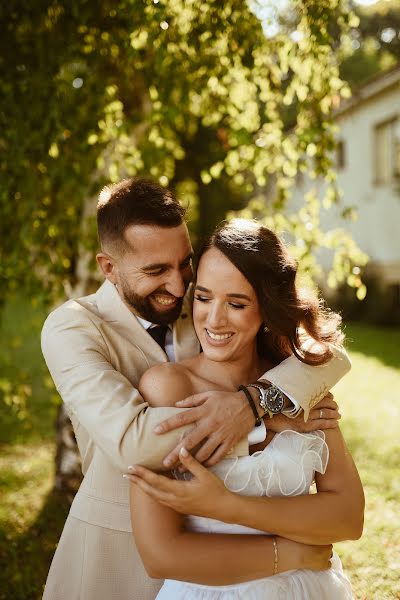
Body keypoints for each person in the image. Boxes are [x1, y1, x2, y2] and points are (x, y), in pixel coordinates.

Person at [41, 178, 351, 600]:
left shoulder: (205, 302)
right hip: (116, 551)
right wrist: (264, 421)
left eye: (184, 264)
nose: (178, 285)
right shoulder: (72, 327)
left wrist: (258, 397)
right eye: (155, 271)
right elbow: (131, 441)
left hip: (229, 553)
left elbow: (328, 354)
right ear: (109, 267)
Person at [127, 219, 364, 599]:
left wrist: (229, 506)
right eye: (203, 298)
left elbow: (348, 518)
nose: (214, 320)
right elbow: (162, 555)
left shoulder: (294, 384)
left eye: (236, 303)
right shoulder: (171, 387)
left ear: (267, 310)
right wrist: (290, 551)